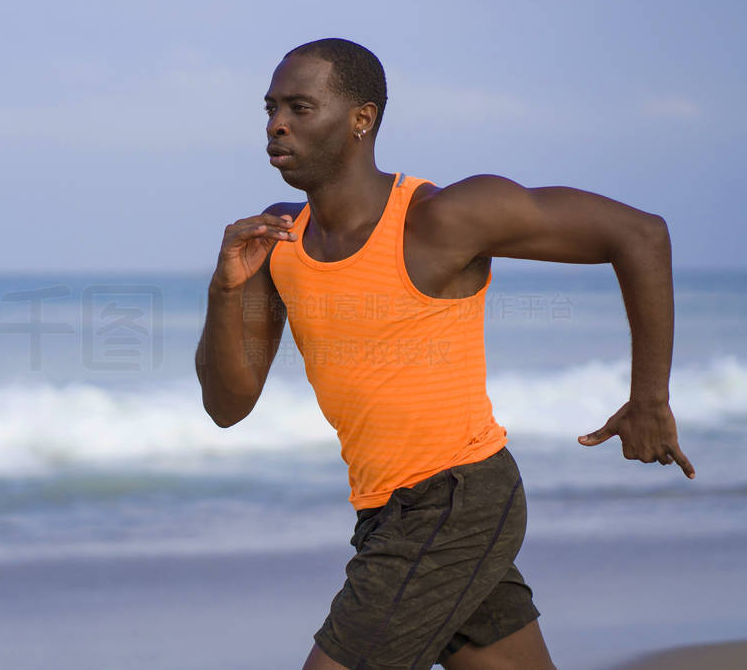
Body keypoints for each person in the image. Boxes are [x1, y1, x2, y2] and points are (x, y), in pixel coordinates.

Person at [194, 38, 694, 670]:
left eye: (299, 106)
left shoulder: (441, 218)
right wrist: (224, 290)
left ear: (361, 120)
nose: (276, 124)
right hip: (383, 508)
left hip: (456, 496)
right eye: (270, 107)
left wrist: (649, 397)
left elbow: (640, 233)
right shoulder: (278, 236)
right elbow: (227, 405)